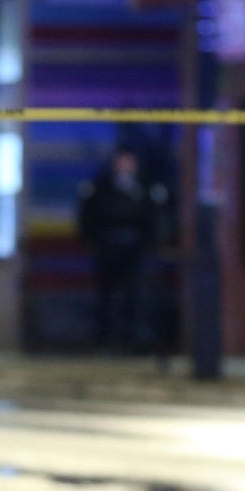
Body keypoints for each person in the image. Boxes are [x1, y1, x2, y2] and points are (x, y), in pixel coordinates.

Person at [76, 146, 161, 351]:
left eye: (128, 160)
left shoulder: (146, 187)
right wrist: (93, 241)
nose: (124, 165)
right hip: (107, 248)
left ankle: (132, 340)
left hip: (136, 250)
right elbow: (87, 217)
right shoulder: (100, 186)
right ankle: (106, 339)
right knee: (106, 296)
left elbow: (154, 218)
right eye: (121, 160)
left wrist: (151, 242)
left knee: (135, 296)